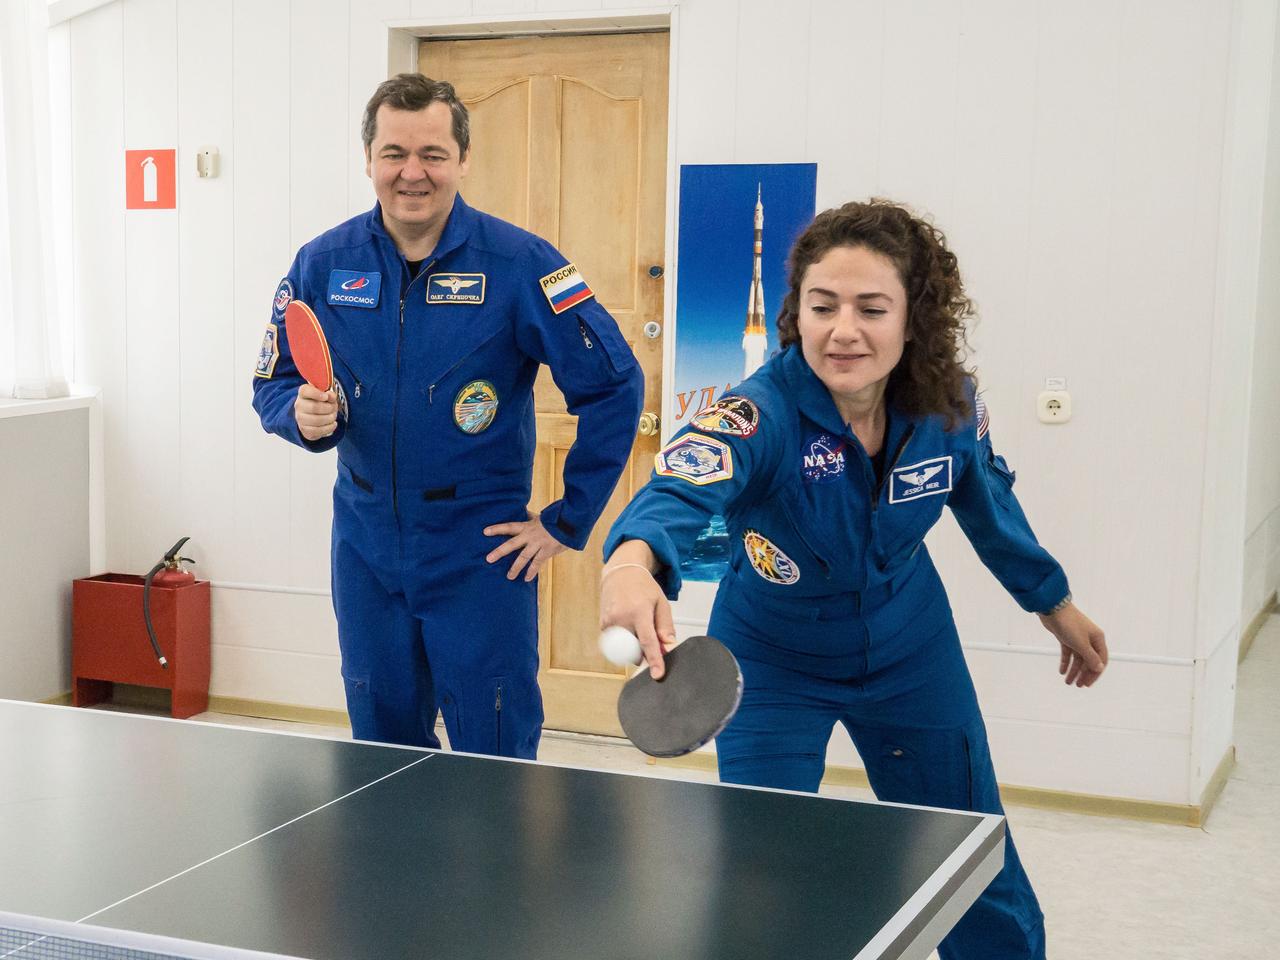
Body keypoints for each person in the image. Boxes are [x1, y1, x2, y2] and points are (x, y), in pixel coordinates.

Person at [600, 199, 1107, 960]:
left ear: (912, 319)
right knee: (761, 879)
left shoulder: (950, 405)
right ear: (796, 314)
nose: (843, 330)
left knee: (969, 857)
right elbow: (677, 488)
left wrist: (1053, 602)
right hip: (771, 661)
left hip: (911, 650)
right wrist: (628, 564)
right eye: (823, 306)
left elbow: (988, 502)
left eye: (871, 308)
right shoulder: (756, 414)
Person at [252, 74, 643, 760]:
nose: (413, 173)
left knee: (494, 747)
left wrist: (568, 519)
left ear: (463, 160)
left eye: (432, 154)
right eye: (394, 153)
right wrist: (299, 416)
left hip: (480, 552)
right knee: (381, 749)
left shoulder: (521, 264)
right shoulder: (321, 264)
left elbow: (615, 386)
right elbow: (273, 382)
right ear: (368, 159)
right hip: (365, 545)